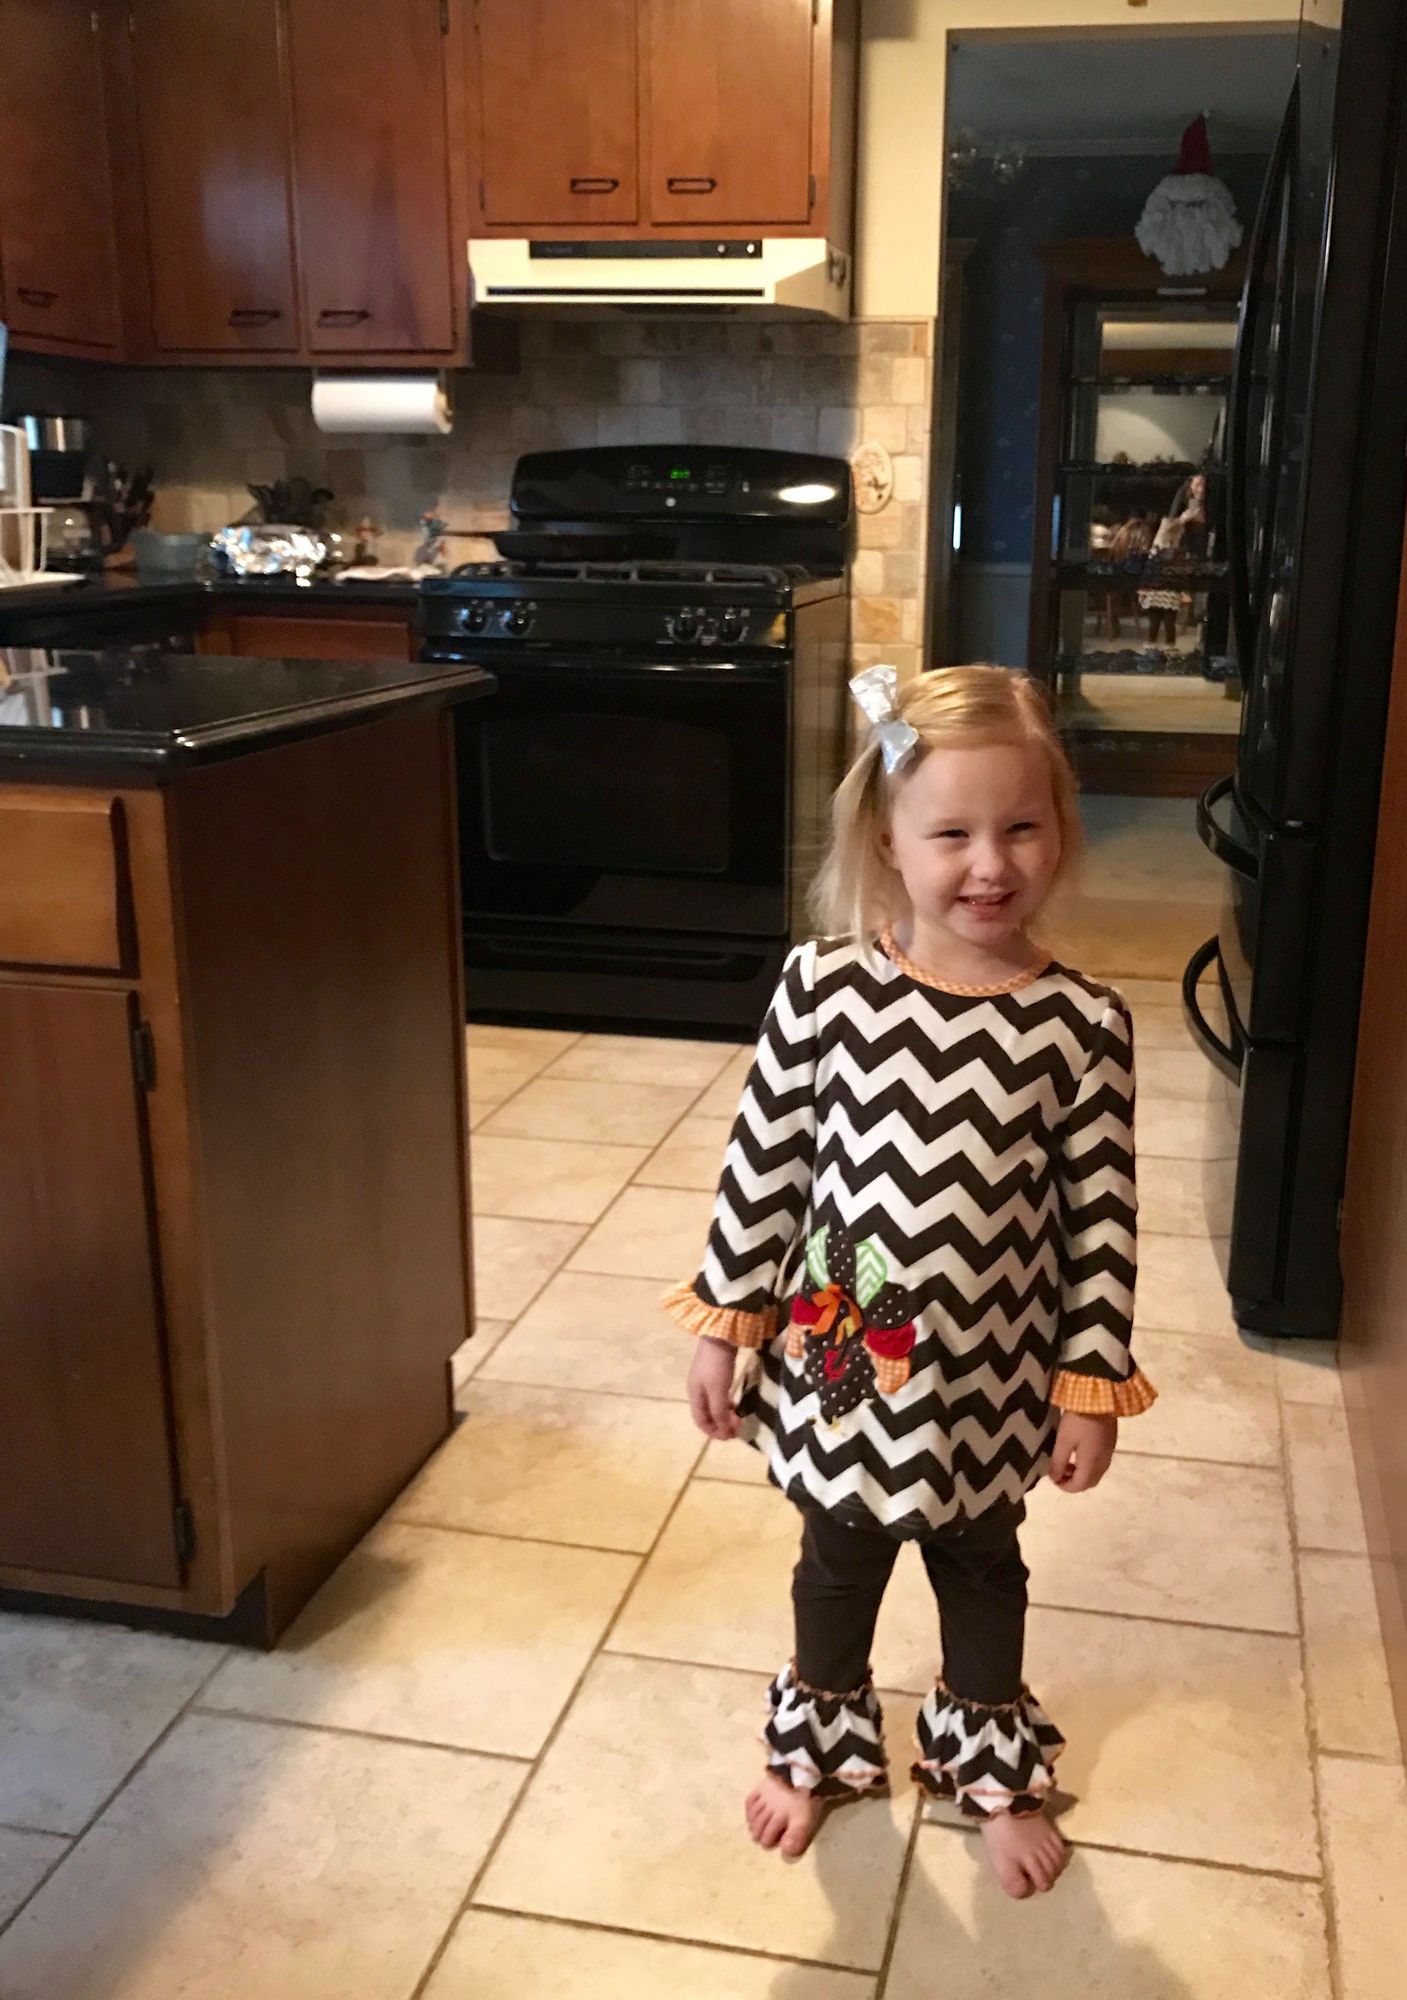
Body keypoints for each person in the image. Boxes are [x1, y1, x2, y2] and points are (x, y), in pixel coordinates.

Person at [664, 663, 1156, 1900]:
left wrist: (1089, 1381)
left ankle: (987, 1767)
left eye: (1021, 826)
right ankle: (819, 1746)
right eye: (952, 834)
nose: (990, 864)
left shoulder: (1082, 1024)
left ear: (1061, 830)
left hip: (993, 1376)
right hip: (844, 1357)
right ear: (889, 836)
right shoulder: (822, 989)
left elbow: (1102, 1222)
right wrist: (725, 1325)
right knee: (836, 1561)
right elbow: (763, 1169)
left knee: (984, 1570)